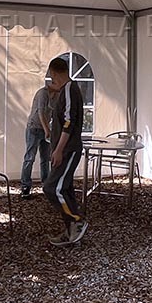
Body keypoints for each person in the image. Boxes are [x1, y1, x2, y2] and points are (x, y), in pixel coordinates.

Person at [42, 57, 88, 245]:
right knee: (65, 188)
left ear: (53, 73)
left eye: (51, 76)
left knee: (53, 188)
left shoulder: (69, 90)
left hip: (68, 149)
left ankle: (77, 221)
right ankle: (70, 230)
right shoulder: (66, 90)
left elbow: (69, 123)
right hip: (64, 148)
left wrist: (59, 150)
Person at [20, 82, 55, 198]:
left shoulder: (56, 95)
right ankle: (25, 186)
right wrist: (47, 130)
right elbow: (41, 113)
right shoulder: (43, 93)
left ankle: (46, 184)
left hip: (45, 129)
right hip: (34, 128)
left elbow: (55, 113)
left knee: (46, 158)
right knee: (30, 157)